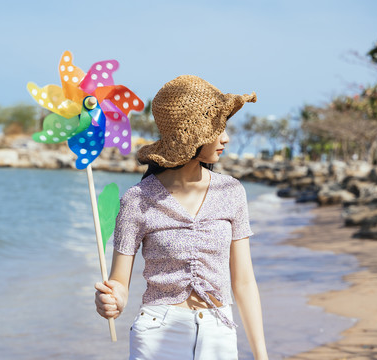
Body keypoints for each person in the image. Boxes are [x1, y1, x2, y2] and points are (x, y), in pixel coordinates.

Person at [95, 75, 268, 360]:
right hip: (157, 333)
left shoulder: (232, 191)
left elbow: (244, 282)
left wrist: (261, 355)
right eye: (217, 128)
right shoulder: (137, 199)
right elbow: (119, 284)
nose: (225, 137)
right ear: (192, 135)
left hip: (219, 330)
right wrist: (112, 301)